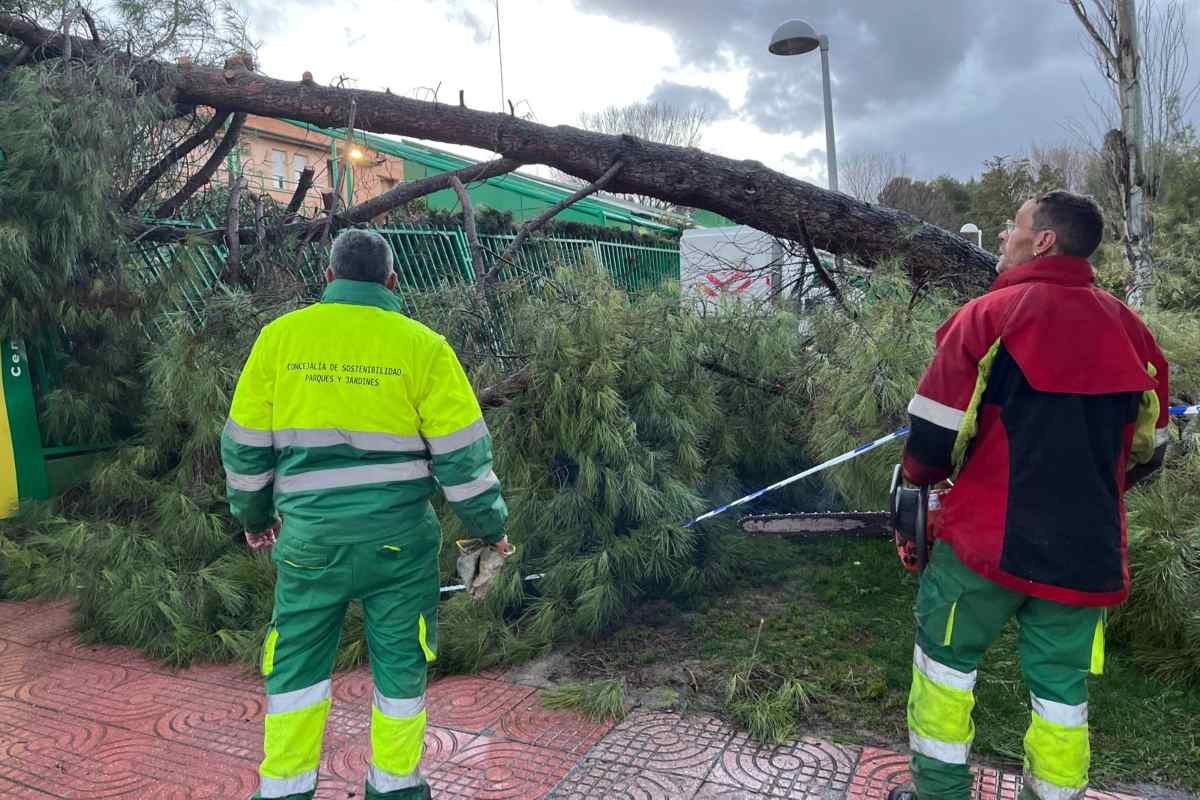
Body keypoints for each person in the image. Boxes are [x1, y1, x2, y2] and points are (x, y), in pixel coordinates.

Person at [891, 191, 1170, 800]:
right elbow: (1152, 450)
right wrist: (1089, 491)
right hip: (1086, 556)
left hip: (982, 549)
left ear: (1042, 240)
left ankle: (939, 793)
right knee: (1062, 698)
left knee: (944, 670)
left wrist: (918, 486)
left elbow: (931, 441)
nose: (1003, 236)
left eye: (1012, 225)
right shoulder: (1134, 333)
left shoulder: (989, 316)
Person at [221, 228, 512, 800]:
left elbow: (245, 448)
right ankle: (397, 786)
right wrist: (489, 530)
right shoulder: (424, 347)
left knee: (296, 670)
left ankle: (283, 789)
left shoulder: (280, 340)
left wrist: (254, 519)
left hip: (310, 543)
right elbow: (463, 459)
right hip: (399, 546)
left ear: (328, 279)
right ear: (392, 281)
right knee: (401, 668)